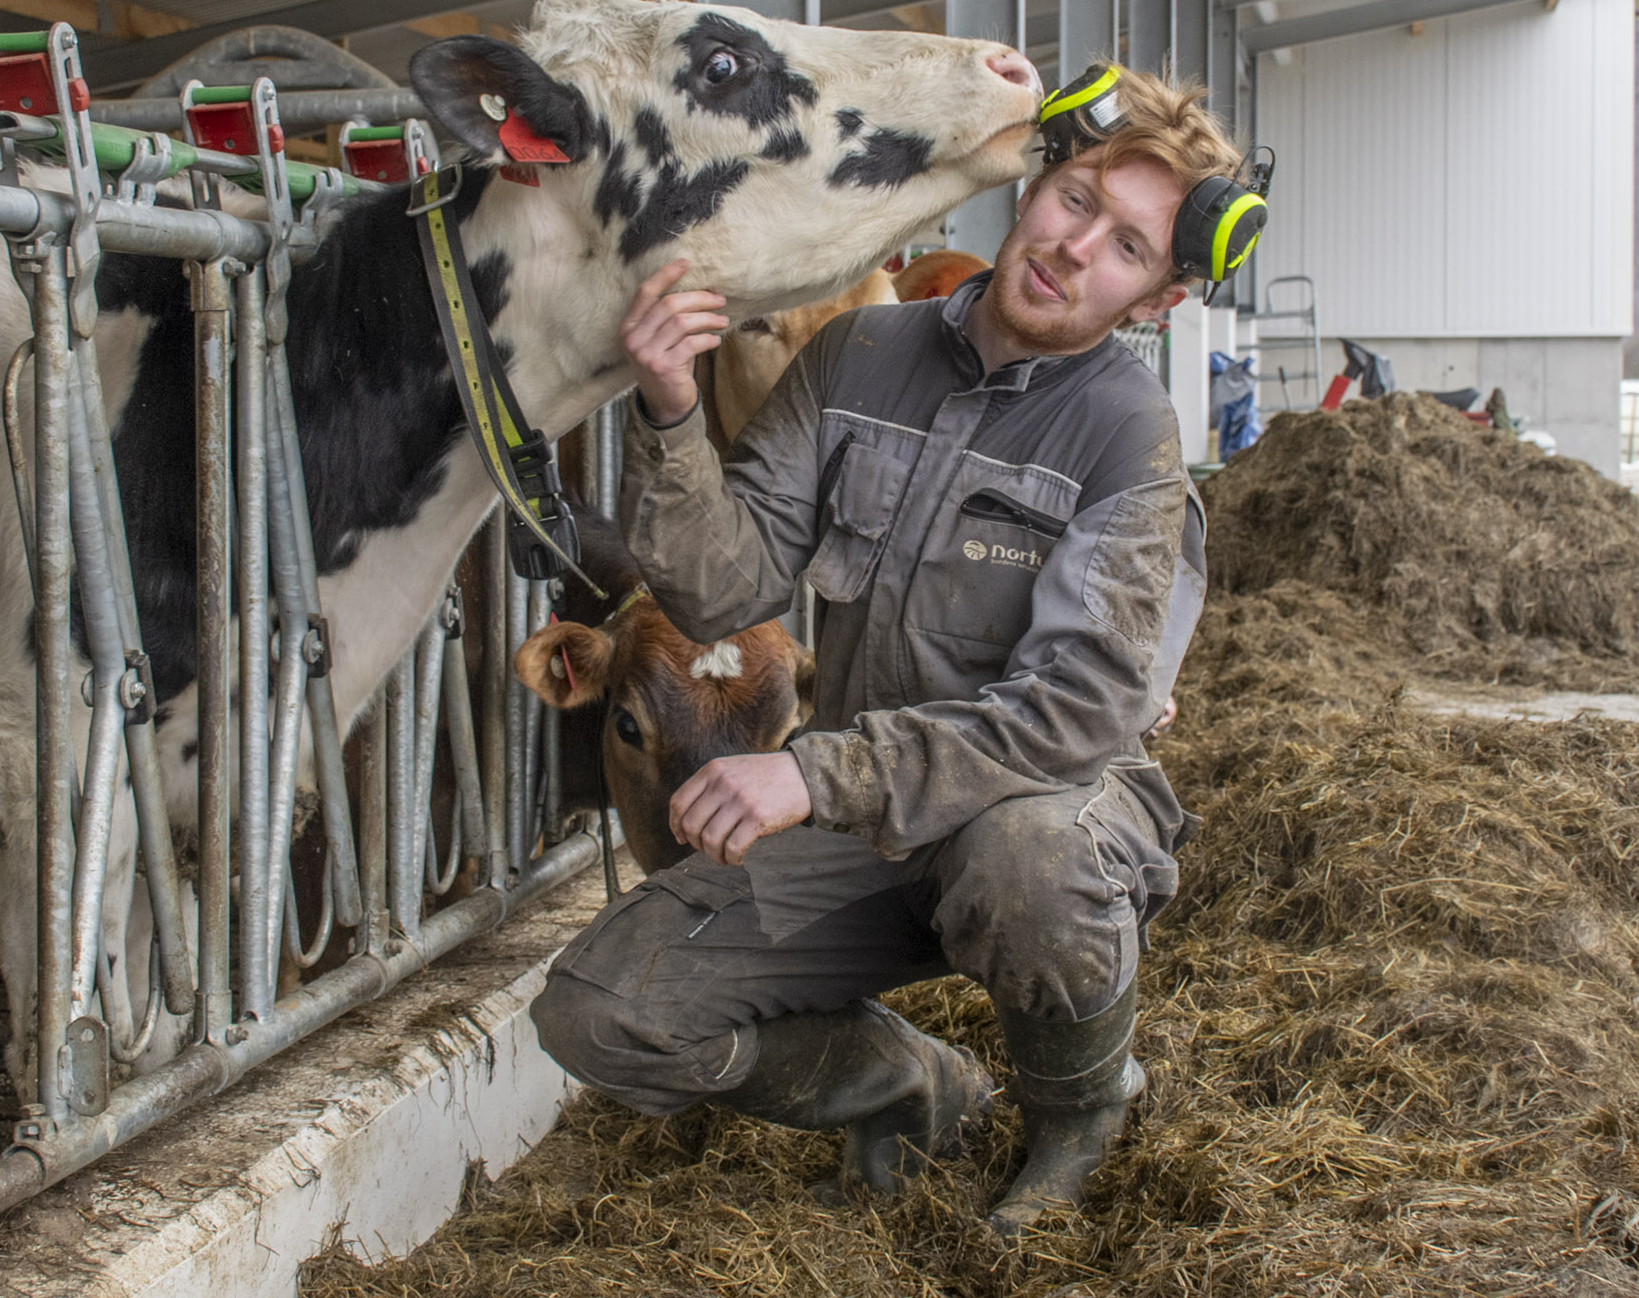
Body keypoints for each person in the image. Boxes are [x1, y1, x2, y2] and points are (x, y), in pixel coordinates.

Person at [530, 65, 1260, 1235]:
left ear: (1156, 301)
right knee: (600, 1009)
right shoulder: (856, 357)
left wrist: (811, 772)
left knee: (1027, 860)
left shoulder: (1130, 438)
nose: (1075, 249)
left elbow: (1076, 712)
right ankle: (911, 1085)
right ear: (1034, 186)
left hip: (1041, 816)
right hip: (868, 831)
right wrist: (669, 406)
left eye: (1127, 247)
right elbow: (722, 588)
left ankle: (1079, 1116)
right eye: (1075, 200)